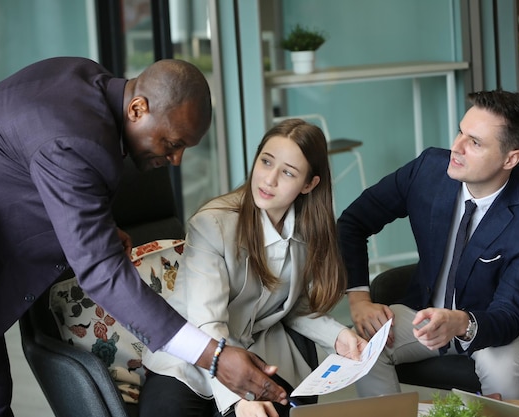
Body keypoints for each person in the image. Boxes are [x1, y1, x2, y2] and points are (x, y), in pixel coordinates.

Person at [0, 56, 288, 417]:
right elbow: (103, 273)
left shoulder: (86, 81)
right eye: (173, 142)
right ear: (138, 109)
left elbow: (31, 170)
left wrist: (94, 226)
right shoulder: (75, 139)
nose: (176, 159)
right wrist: (214, 357)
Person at [337, 90, 519, 400]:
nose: (456, 147)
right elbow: (352, 222)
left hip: (500, 327)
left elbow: (509, 315)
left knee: (500, 365)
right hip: (425, 310)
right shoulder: (429, 169)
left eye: (475, 142)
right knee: (362, 345)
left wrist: (461, 323)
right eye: (460, 131)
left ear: (511, 158)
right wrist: (359, 299)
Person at [140, 118, 367, 417]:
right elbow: (207, 323)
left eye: (287, 172)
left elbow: (291, 306)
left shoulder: (307, 231)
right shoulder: (213, 224)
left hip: (256, 358)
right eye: (266, 162)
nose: (269, 179)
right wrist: (239, 396)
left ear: (309, 184)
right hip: (190, 360)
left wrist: (337, 336)